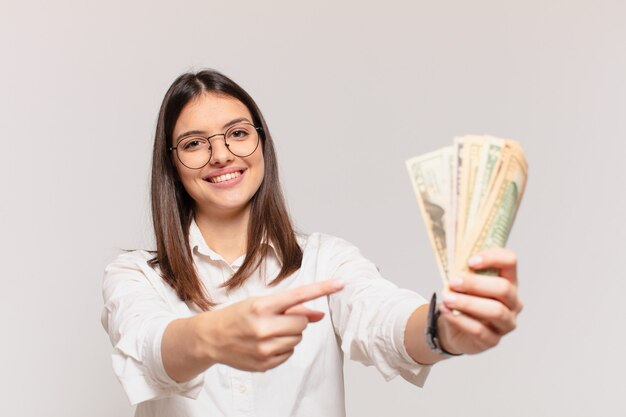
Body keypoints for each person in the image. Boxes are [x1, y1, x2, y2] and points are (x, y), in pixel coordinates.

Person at [101, 69, 523, 417]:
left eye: (238, 133)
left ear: (262, 143)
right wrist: (212, 335)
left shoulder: (326, 261)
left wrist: (443, 329)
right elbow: (150, 348)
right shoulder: (135, 277)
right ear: (172, 166)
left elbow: (383, 318)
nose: (222, 154)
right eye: (194, 144)